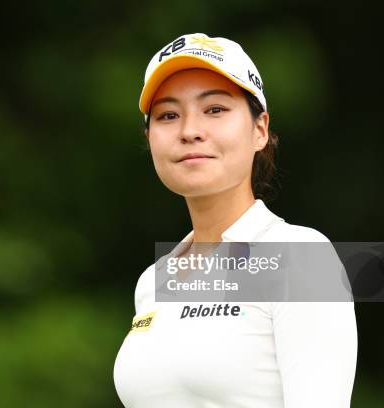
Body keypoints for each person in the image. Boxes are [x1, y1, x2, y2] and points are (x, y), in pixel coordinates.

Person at [113, 33, 358, 408]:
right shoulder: (153, 281)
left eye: (215, 110)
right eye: (168, 115)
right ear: (149, 138)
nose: (190, 130)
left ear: (260, 129)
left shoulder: (300, 257)